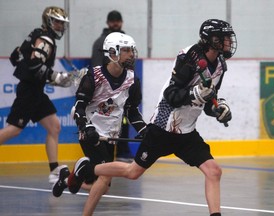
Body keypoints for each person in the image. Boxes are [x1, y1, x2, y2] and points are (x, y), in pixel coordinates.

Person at [68, 19, 237, 216]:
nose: (228, 43)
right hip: (163, 127)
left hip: (187, 131)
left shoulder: (220, 66)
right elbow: (171, 95)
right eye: (224, 38)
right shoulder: (189, 57)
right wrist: (195, 94)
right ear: (212, 40)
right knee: (133, 173)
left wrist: (218, 108)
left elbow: (208, 98)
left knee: (214, 171)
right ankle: (87, 169)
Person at [52, 32, 147, 203]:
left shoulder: (132, 80)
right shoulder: (93, 76)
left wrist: (144, 130)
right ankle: (81, 171)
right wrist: (85, 127)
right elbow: (79, 106)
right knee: (104, 175)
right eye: (126, 50)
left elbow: (132, 111)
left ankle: (69, 178)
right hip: (91, 134)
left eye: (132, 50)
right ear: (112, 53)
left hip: (111, 136)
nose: (131, 54)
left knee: (103, 186)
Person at [0, 6, 71, 186]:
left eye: (62, 23)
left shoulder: (36, 34)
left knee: (54, 127)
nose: (60, 26)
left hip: (35, 91)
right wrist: (56, 76)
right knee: (14, 130)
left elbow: (16, 57)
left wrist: (55, 80)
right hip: (29, 91)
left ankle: (54, 170)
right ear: (48, 21)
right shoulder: (45, 40)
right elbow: (33, 65)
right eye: (57, 22)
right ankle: (54, 170)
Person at [91, 10, 134, 162]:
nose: (115, 23)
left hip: (122, 87)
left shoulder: (126, 41)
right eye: (112, 21)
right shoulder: (101, 42)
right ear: (108, 23)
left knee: (122, 118)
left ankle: (122, 151)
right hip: (106, 91)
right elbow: (98, 68)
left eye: (118, 20)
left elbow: (129, 66)